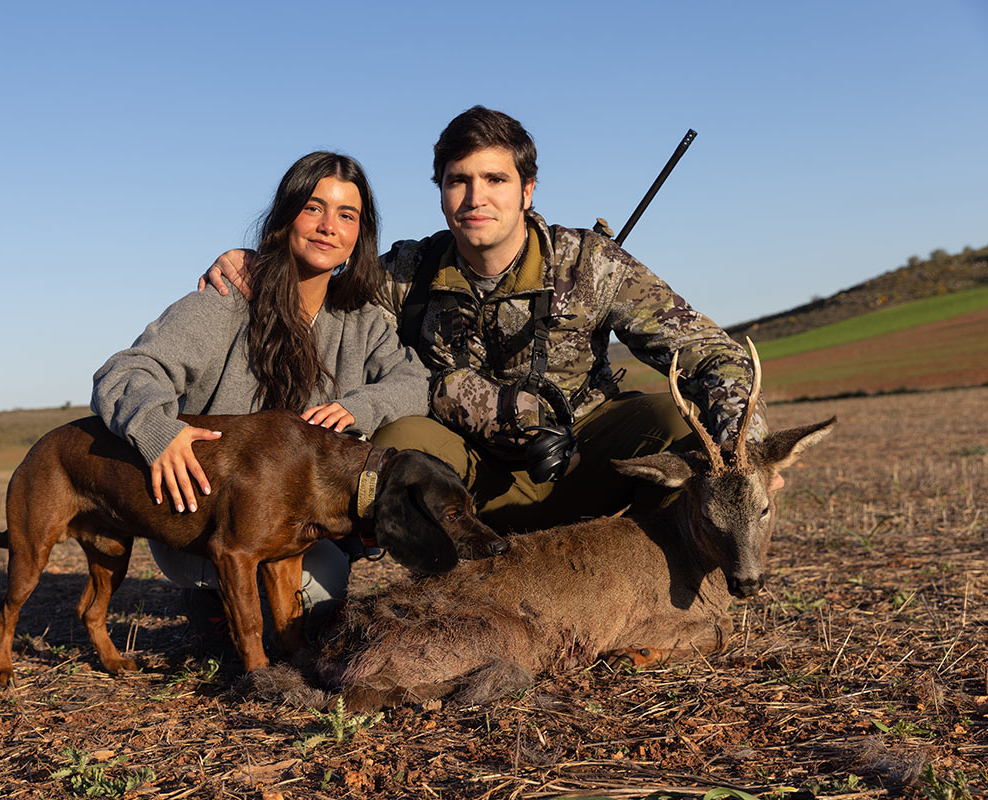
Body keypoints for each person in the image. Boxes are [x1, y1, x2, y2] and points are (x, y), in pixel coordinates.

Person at [202, 108, 769, 533]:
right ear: (441, 192)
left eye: (495, 180)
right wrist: (261, 260)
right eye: (458, 180)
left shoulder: (591, 264)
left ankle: (655, 579)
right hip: (468, 476)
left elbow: (709, 351)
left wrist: (751, 453)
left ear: (526, 190)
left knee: (674, 418)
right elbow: (321, 293)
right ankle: (452, 581)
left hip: (582, 456)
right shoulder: (405, 271)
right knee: (397, 442)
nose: (476, 197)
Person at [93, 151, 430, 639]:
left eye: (347, 215)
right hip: (200, 516)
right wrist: (158, 431)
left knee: (321, 584)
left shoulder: (362, 321)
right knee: (316, 590)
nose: (328, 226)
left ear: (360, 236)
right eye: (313, 207)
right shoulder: (226, 300)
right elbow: (125, 371)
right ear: (284, 217)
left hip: (295, 524)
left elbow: (415, 382)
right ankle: (214, 599)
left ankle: (241, 608)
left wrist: (358, 407)